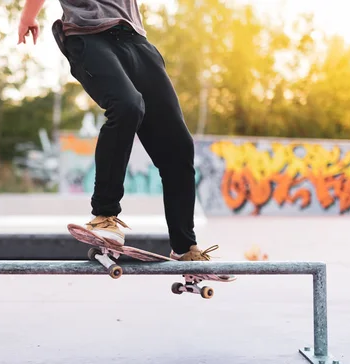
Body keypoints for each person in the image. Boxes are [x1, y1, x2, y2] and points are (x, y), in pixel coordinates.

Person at [17, 0, 218, 262]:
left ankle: (184, 246)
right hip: (88, 36)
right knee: (127, 105)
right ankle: (104, 216)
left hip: (136, 40)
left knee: (179, 145)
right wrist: (27, 17)